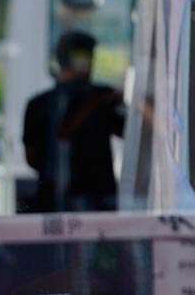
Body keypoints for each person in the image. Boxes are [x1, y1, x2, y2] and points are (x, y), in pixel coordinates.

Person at [22, 31, 125, 213]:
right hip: (97, 204)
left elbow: (32, 158)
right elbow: (130, 132)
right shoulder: (105, 99)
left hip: (49, 203)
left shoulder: (37, 104)